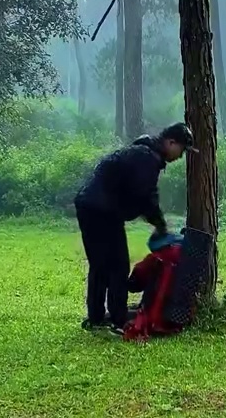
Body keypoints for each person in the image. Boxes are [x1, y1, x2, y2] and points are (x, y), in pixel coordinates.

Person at [73, 122, 196, 334]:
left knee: (101, 264)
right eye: (182, 150)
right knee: (117, 265)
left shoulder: (143, 152)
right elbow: (146, 194)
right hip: (101, 210)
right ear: (171, 142)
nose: (180, 156)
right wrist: (160, 226)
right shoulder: (148, 158)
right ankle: (116, 319)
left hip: (91, 206)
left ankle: (97, 317)